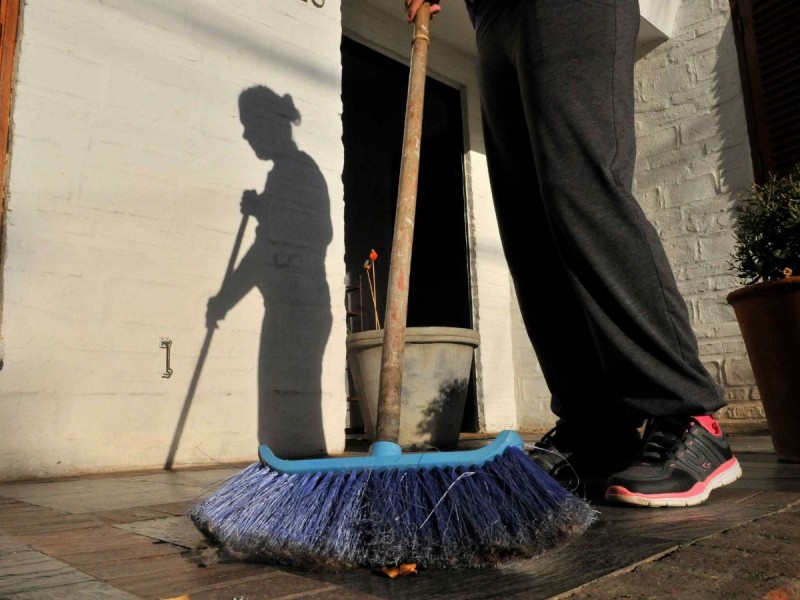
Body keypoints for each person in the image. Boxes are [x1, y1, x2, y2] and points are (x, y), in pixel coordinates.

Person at [404, 0, 742, 506]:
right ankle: (596, 430)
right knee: (528, 224)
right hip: (494, 18)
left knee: (580, 188)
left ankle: (687, 412)